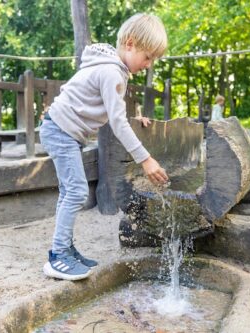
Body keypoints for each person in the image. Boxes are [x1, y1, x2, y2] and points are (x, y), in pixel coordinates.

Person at [39, 13, 169, 281]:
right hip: (60, 131)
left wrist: (133, 120)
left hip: (60, 130)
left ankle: (66, 247)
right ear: (130, 44)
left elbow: (112, 113)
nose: (149, 64)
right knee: (76, 192)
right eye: (148, 57)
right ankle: (58, 255)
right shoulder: (112, 71)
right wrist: (146, 159)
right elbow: (116, 123)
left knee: (69, 191)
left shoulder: (109, 68)